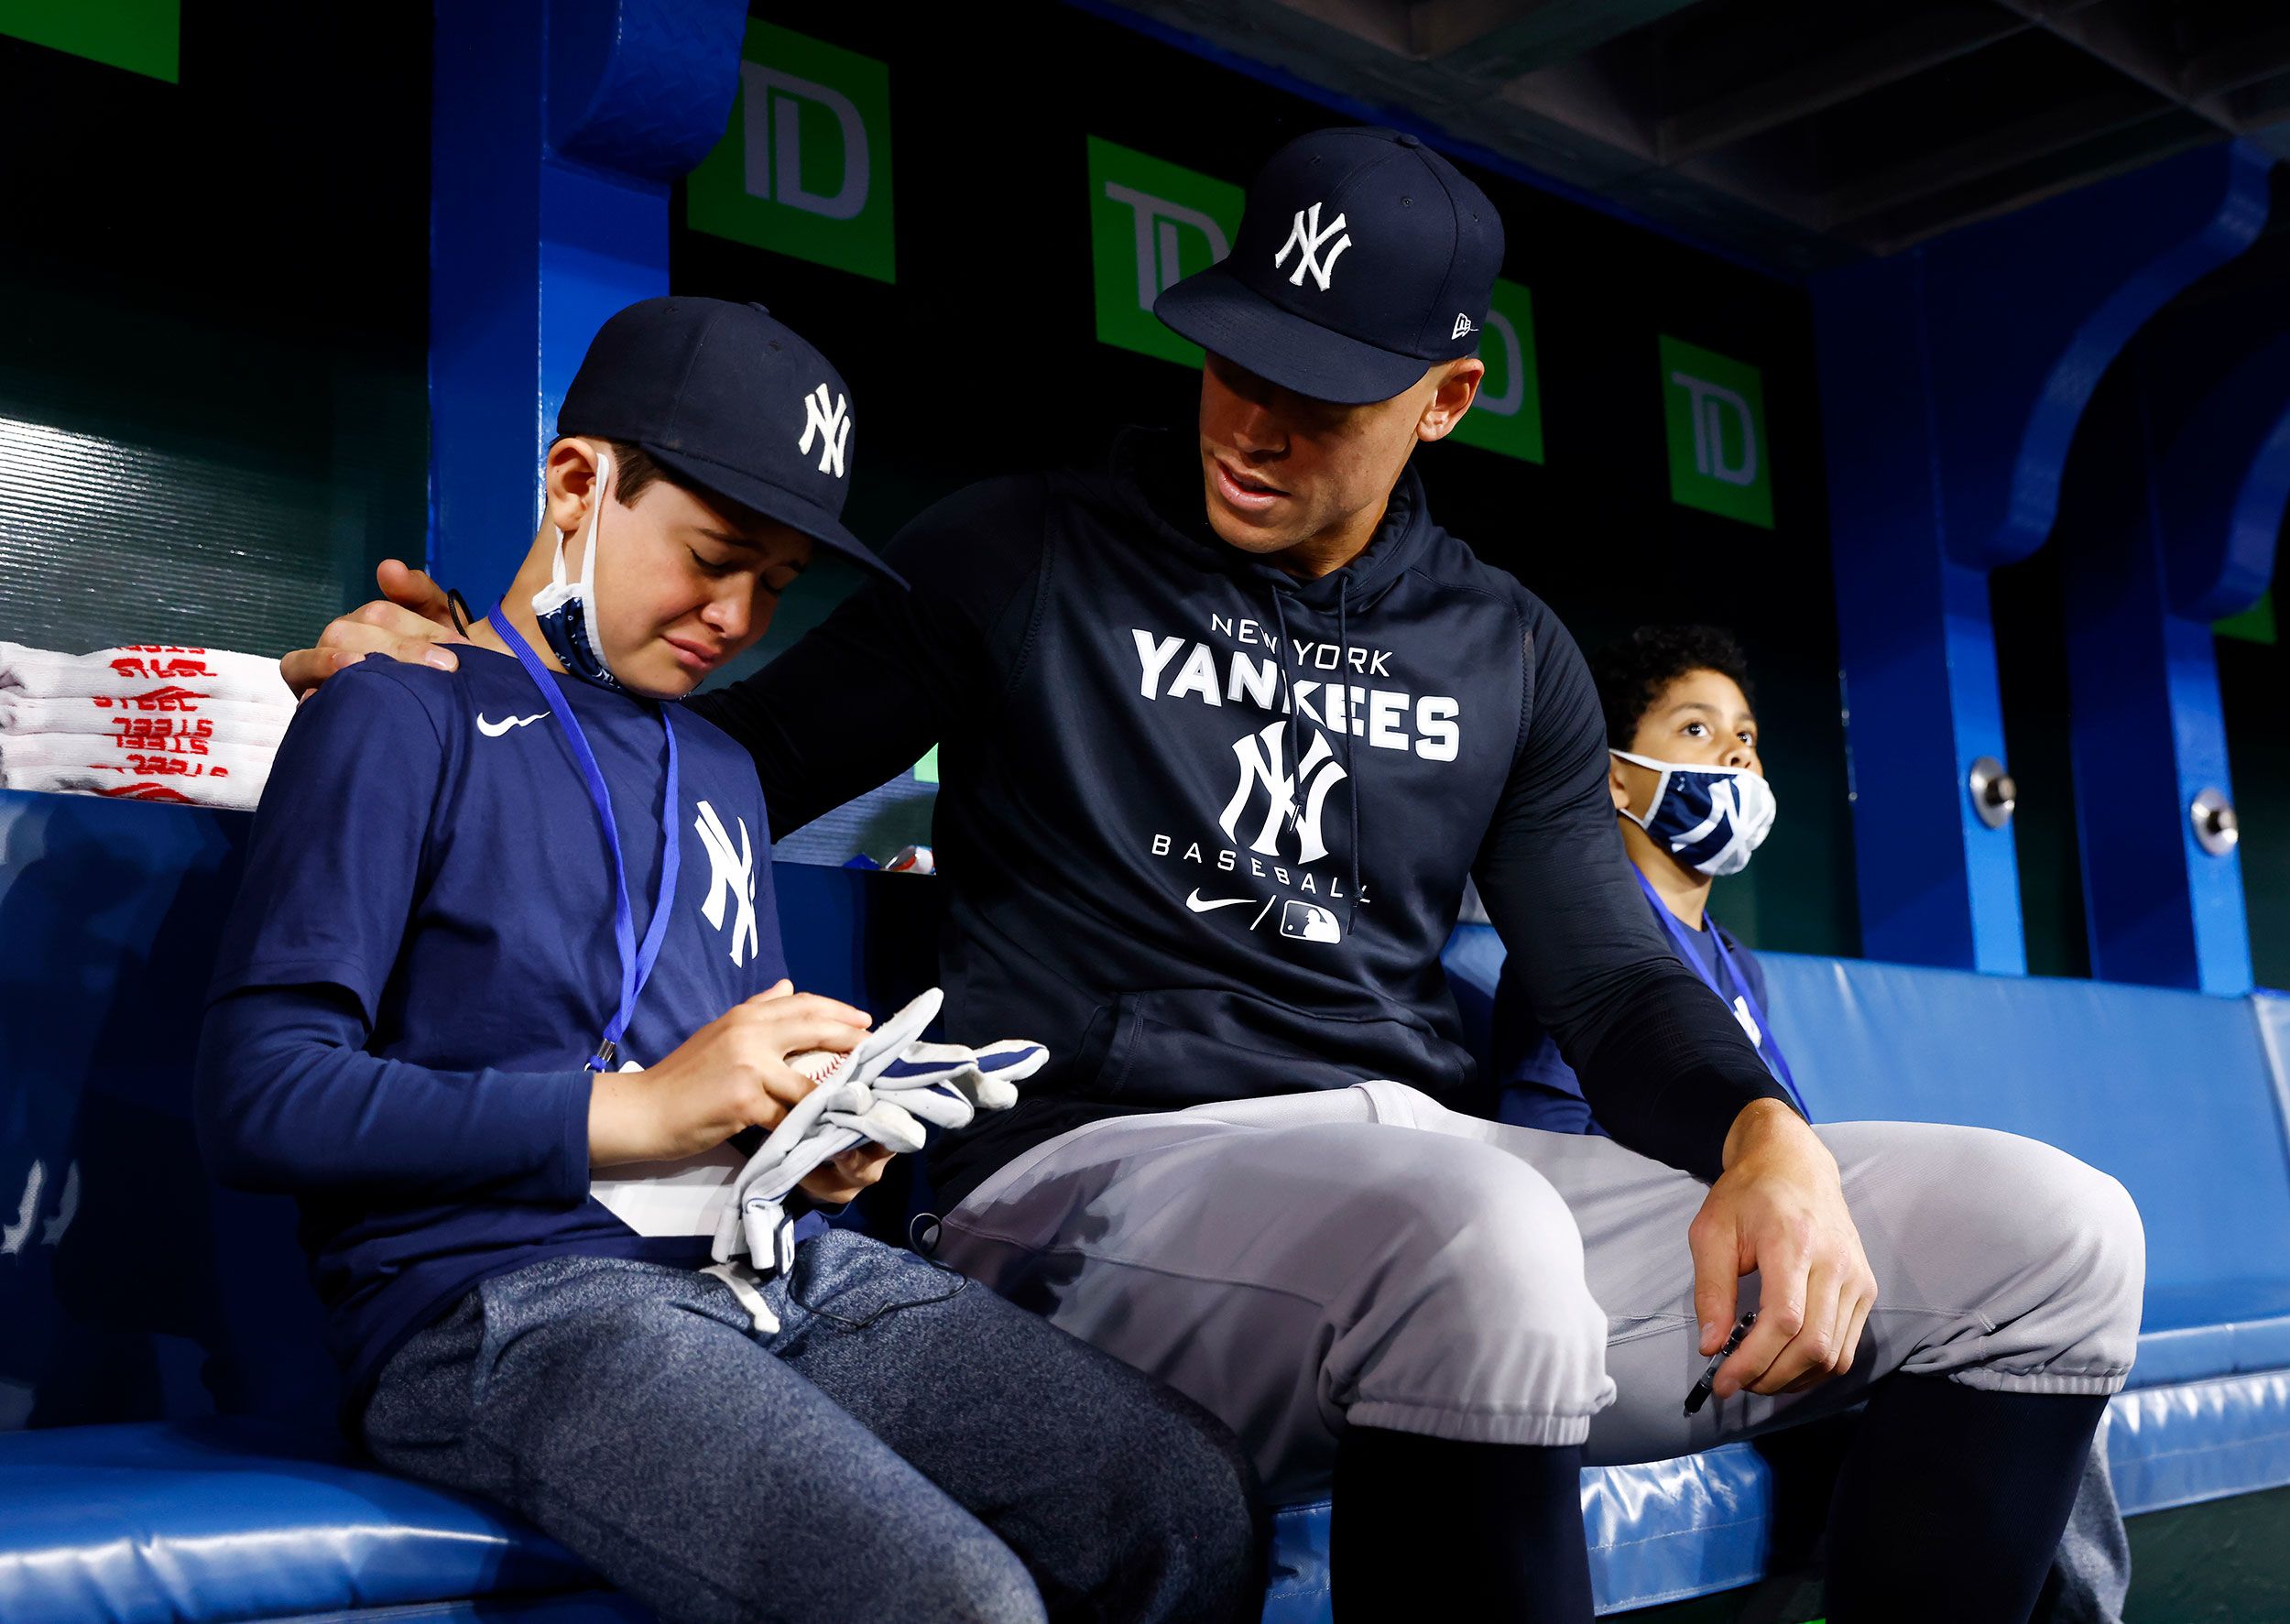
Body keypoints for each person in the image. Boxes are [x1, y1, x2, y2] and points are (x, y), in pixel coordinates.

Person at [290, 130, 2143, 1622]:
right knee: (1471, 1247)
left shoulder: (1505, 647)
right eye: (1234, 363)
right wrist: (479, 668)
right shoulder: (1020, 551)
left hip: (1417, 1166)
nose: (1251, 425)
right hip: (1097, 1179)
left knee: (2047, 1232)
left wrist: (1761, 1135)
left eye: (1321, 397)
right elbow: (713, 765)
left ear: (1444, 398)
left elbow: (1606, 972)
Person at [199, 298, 1262, 1624]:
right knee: (954, 1603)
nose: (739, 614)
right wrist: (637, 1113)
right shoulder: (397, 710)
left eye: (775, 584)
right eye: (712, 556)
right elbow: (261, 1094)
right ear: (580, 483)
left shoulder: (721, 766)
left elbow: (714, 1080)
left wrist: (810, 1144)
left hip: (769, 1270)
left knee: (1184, 1500)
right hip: (499, 1298)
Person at [1495, 623, 2134, 1624]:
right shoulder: (1591, 946)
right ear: (1617, 777)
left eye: (1745, 734)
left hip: (1757, 1257)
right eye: (1697, 729)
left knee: (2036, 1305)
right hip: (1652, 1271)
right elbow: (1554, 1149)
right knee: (2005, 1303)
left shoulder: (1734, 962)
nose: (1737, 754)